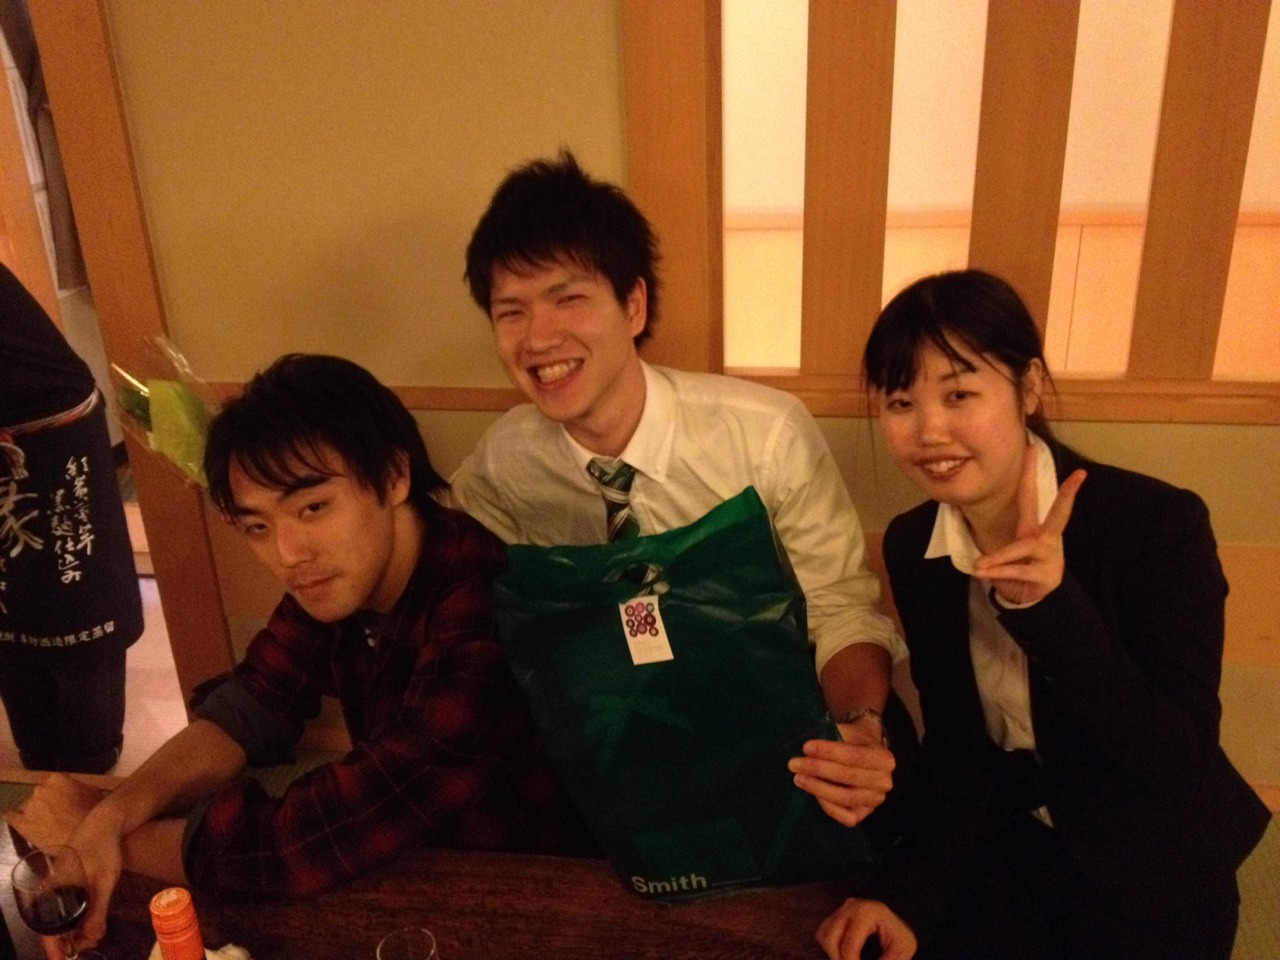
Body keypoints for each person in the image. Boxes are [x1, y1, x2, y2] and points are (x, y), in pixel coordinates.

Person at [10, 353, 591, 953]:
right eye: (258, 526)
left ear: (394, 477)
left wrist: (97, 838)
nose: (288, 553)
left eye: (313, 508)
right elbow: (251, 704)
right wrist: (111, 817)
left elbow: (305, 845)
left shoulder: (483, 616)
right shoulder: (344, 579)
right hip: (410, 863)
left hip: (536, 894)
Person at [816, 270, 1271, 960]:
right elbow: (962, 748)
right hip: (1011, 850)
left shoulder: (1155, 526)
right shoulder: (916, 546)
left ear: (1028, 387)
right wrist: (906, 894)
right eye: (901, 402)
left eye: (959, 394)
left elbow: (1175, 760)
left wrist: (1051, 612)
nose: (929, 431)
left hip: (1154, 865)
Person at [449, 151, 911, 830]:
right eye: (510, 311)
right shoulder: (506, 463)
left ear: (633, 304)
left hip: (780, 726)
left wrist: (859, 728)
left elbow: (840, 609)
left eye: (568, 298)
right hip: (627, 739)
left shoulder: (764, 436)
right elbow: (471, 580)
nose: (539, 337)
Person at [0, 261, 142, 774]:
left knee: (78, 596)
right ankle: (37, 756)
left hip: (54, 431)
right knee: (9, 603)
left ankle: (91, 759)